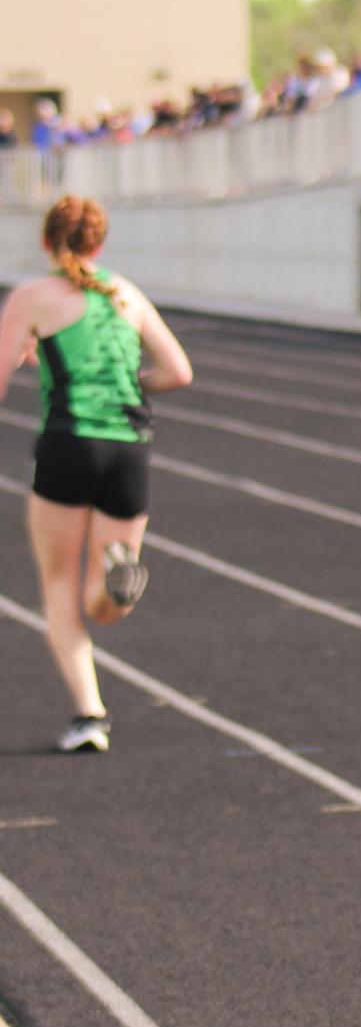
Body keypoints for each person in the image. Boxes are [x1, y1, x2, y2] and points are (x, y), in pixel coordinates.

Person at [0, 196, 193, 753]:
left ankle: (90, 716)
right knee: (103, 606)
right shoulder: (125, 292)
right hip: (130, 447)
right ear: (99, 244)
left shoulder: (33, 297)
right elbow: (178, 371)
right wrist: (131, 384)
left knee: (60, 587)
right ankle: (119, 578)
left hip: (68, 444)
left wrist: (22, 355)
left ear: (46, 241)